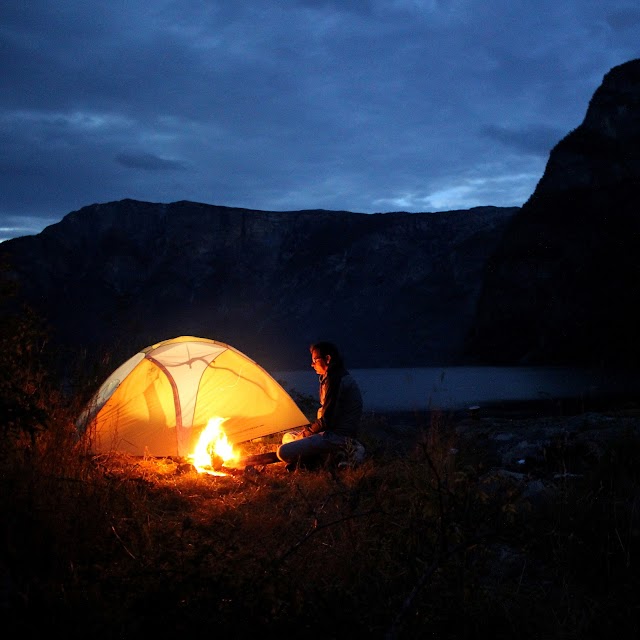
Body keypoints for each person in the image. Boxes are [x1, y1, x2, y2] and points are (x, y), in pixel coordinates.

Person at [277, 341, 365, 471]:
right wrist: (307, 432)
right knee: (288, 436)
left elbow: (327, 421)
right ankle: (316, 458)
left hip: (337, 436)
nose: (312, 364)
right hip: (327, 432)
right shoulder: (331, 377)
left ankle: (347, 451)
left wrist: (307, 433)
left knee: (283, 452)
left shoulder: (336, 380)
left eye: (315, 360)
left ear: (327, 359)